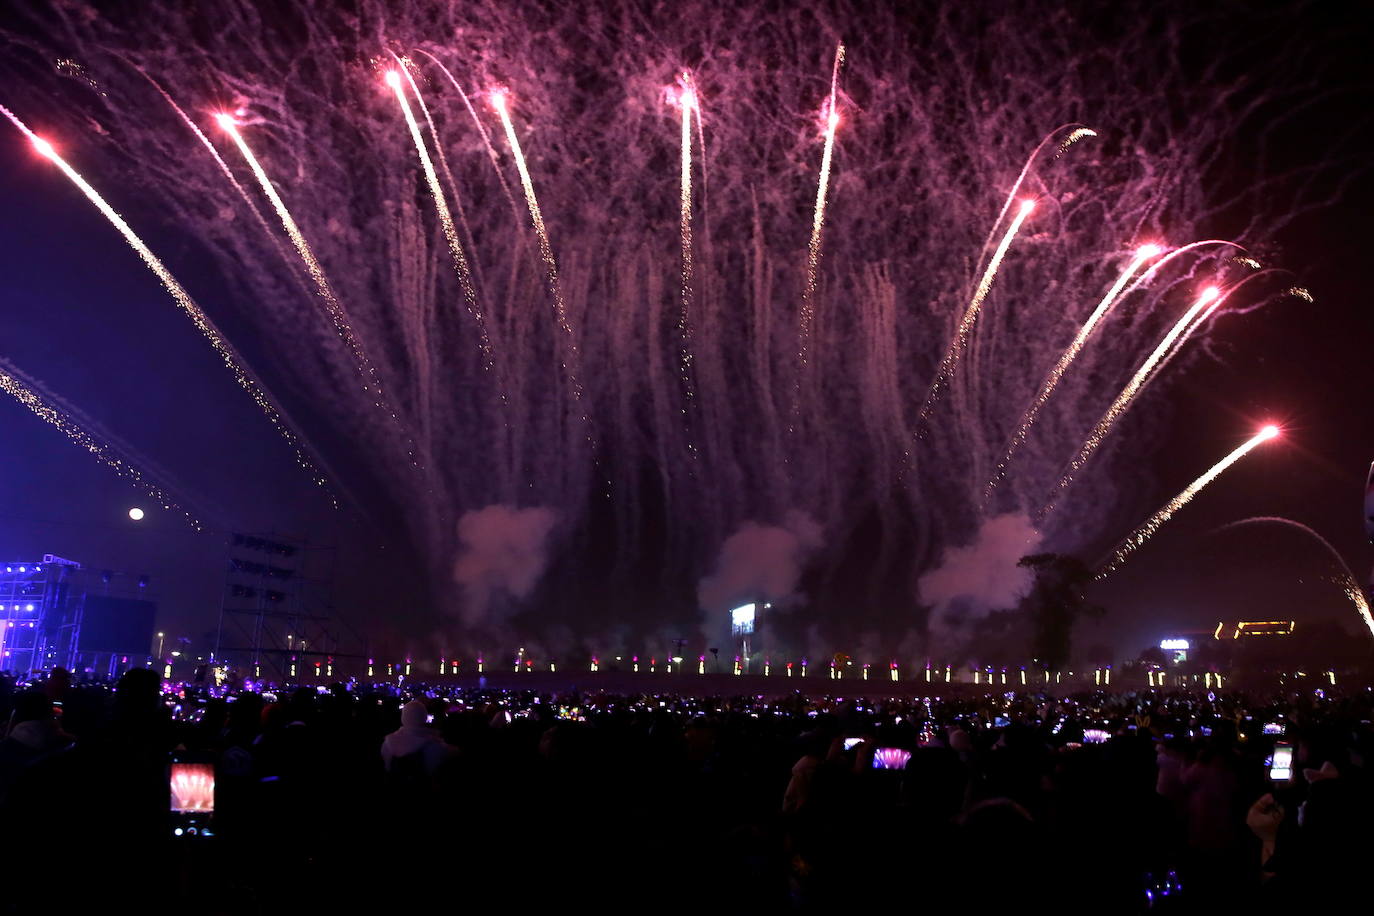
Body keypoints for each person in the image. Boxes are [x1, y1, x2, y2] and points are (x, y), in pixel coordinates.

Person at [381, 699, 447, 775]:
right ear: (424, 717)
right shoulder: (437, 746)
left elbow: (387, 768)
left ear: (403, 717)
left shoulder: (388, 742)